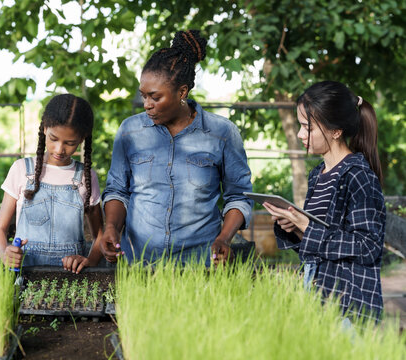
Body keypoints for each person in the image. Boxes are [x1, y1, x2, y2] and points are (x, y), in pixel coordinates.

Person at [100, 30, 253, 266]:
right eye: (143, 96)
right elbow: (118, 190)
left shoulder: (222, 133)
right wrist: (111, 227)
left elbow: (238, 197)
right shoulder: (130, 131)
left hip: (200, 260)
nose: (147, 105)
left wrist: (224, 238)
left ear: (182, 92)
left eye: (155, 97)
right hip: (139, 261)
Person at [262, 81, 386, 322]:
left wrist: (307, 227)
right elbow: (320, 245)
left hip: (349, 304)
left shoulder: (359, 175)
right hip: (316, 294)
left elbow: (368, 246)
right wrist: (294, 228)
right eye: (300, 125)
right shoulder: (317, 174)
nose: (300, 134)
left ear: (335, 131)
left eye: (307, 127)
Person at [0, 94, 104, 274]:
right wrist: (5, 252)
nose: (60, 149)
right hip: (24, 276)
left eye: (69, 143)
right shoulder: (21, 169)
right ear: (44, 128)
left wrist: (88, 261)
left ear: (82, 139)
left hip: (72, 280)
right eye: (53, 139)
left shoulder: (86, 177)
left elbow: (100, 236)